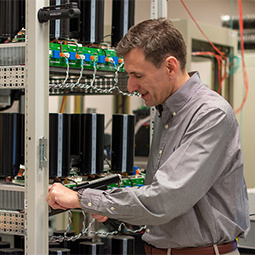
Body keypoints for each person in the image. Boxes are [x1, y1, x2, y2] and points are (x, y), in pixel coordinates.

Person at [47, 18, 250, 255]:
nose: (131, 86)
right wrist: (114, 208)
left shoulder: (210, 113)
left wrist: (82, 198)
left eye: (138, 75)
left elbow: (166, 198)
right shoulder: (165, 111)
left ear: (170, 66)